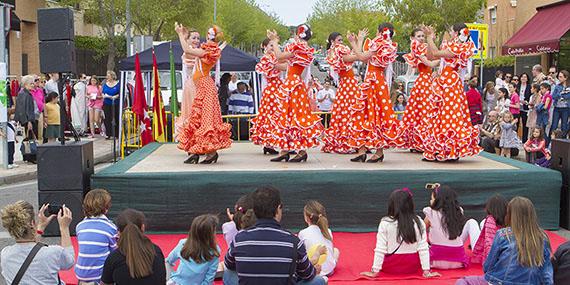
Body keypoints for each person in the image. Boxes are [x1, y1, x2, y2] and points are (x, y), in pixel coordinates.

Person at [224, 186, 325, 285]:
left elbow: (229, 264)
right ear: (278, 209)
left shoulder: (239, 239)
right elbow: (307, 274)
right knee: (318, 280)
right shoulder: (293, 242)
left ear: (254, 211)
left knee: (228, 274)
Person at [455, 197, 553, 285]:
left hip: (500, 281)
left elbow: (487, 266)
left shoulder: (503, 235)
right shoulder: (543, 238)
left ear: (510, 215)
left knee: (463, 281)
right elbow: (546, 273)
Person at [421, 24, 481, 161]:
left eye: (452, 31)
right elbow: (431, 56)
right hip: (444, 80)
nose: (451, 34)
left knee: (450, 115)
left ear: (457, 33)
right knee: (440, 115)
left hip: (451, 82)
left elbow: (436, 54)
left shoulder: (461, 47)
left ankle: (451, 150)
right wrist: (429, 40)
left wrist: (430, 37)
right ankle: (439, 149)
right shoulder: (451, 45)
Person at [266, 25, 324, 163]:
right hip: (296, 83)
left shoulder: (297, 47)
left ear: (299, 34)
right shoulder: (306, 49)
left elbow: (280, 56)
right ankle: (285, 151)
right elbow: (289, 64)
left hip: (292, 83)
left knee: (291, 115)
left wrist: (274, 41)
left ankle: (300, 151)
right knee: (292, 115)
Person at [175, 23, 232, 164]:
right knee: (197, 119)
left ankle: (211, 153)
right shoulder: (209, 50)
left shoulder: (209, 51)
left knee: (205, 120)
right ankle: (196, 151)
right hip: (201, 86)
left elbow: (186, 49)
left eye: (208, 35)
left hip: (205, 87)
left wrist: (180, 35)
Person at [347, 23, 404, 163]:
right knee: (374, 113)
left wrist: (354, 42)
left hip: (373, 81)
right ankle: (364, 150)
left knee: (369, 113)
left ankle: (375, 151)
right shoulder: (389, 45)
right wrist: (359, 41)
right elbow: (364, 57)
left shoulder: (378, 43)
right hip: (377, 81)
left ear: (380, 32)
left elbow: (361, 57)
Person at [360, 189, 440, 278]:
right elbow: (423, 248)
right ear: (410, 204)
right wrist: (426, 271)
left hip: (390, 267)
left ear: (391, 205)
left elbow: (380, 249)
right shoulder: (419, 222)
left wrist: (375, 271)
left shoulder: (385, 222)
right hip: (412, 266)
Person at [1, 201, 74, 285]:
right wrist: (64, 227)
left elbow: (32, 249)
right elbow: (70, 261)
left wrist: (41, 227)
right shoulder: (53, 252)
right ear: (32, 223)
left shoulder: (5, 254)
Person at [101, 209, 166, 285]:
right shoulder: (156, 251)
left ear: (118, 232)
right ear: (143, 227)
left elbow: (105, 283)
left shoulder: (114, 257)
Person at [321, 31, 361, 153]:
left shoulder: (333, 52)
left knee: (344, 111)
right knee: (351, 111)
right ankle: (349, 140)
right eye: (339, 40)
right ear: (332, 41)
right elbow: (358, 56)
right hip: (349, 84)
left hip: (346, 85)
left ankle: (349, 139)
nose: (341, 42)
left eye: (341, 40)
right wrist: (357, 41)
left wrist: (356, 42)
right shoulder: (339, 51)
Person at [401, 28, 439, 151]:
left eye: (423, 36)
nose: (421, 38)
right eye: (419, 36)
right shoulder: (416, 47)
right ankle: (421, 141)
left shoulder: (424, 46)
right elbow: (430, 62)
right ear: (413, 38)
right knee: (425, 111)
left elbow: (432, 56)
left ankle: (420, 141)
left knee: (422, 111)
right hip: (424, 82)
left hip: (427, 81)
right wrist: (448, 59)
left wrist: (430, 40)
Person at [424, 186, 480, 269]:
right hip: (458, 261)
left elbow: (422, 231)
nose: (430, 201)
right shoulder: (459, 211)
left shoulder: (430, 212)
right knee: (471, 223)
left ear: (438, 200)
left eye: (432, 199)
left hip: (434, 261)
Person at [250, 38, 286, 155]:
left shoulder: (272, 58)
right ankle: (270, 143)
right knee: (273, 116)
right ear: (264, 46)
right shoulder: (267, 59)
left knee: (274, 116)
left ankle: (271, 143)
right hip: (272, 90)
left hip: (275, 89)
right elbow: (280, 67)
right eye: (271, 45)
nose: (273, 47)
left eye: (274, 45)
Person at [75, 189, 118, 284]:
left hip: (81, 274)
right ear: (106, 207)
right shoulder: (110, 227)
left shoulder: (80, 226)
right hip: (100, 275)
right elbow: (115, 251)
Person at [165, 214, 219, 285]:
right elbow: (209, 278)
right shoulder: (215, 251)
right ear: (211, 234)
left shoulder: (183, 244)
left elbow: (169, 260)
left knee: (166, 262)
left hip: (177, 282)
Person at [299, 200, 340, 277]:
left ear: (307, 217)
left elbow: (301, 253)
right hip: (329, 270)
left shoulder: (302, 233)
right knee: (336, 250)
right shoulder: (328, 231)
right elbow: (330, 250)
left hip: (312, 269)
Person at [175, 27, 201, 136]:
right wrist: (181, 36)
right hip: (192, 86)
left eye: (198, 38)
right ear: (188, 40)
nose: (196, 40)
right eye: (194, 38)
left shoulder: (196, 51)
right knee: (193, 112)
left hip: (199, 84)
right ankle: (192, 138)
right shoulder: (189, 52)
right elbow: (187, 51)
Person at [471, 195, 508, 264]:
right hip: (500, 252)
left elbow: (489, 243)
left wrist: (491, 262)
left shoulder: (490, 220)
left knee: (471, 222)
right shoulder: (507, 219)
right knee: (482, 222)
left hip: (486, 252)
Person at [14, 75, 39, 141]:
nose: (33, 85)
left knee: (29, 139)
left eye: (33, 83)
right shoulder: (24, 94)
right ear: (25, 84)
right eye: (31, 83)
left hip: (27, 120)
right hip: (26, 121)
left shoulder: (26, 93)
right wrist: (28, 121)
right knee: (29, 140)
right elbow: (23, 110)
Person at [550, 70, 570, 138]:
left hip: (566, 108)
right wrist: (560, 94)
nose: (559, 78)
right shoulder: (557, 86)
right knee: (554, 125)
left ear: (566, 77)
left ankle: (563, 141)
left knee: (564, 125)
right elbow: (553, 96)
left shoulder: (569, 86)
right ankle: (551, 141)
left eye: (561, 77)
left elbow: (568, 96)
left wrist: (563, 95)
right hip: (557, 108)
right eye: (559, 77)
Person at [102, 70, 120, 139]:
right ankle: (108, 134)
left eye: (108, 76)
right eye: (107, 76)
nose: (107, 77)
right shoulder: (105, 84)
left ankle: (117, 134)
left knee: (116, 118)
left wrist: (116, 96)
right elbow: (103, 93)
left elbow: (120, 93)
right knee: (107, 118)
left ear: (112, 76)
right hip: (107, 103)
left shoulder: (117, 84)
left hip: (115, 103)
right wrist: (104, 96)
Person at [31, 75, 46, 143]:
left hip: (40, 113)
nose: (37, 81)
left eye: (38, 80)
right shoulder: (28, 91)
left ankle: (40, 146)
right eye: (35, 80)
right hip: (31, 114)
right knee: (33, 133)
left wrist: (45, 115)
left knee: (40, 133)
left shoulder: (40, 90)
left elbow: (43, 102)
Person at [518, 73, 532, 140]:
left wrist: (526, 102)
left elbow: (530, 96)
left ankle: (524, 139)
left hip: (525, 107)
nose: (523, 78)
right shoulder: (517, 86)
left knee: (525, 123)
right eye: (522, 77)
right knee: (516, 123)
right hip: (517, 106)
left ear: (527, 79)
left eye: (525, 77)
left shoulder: (529, 86)